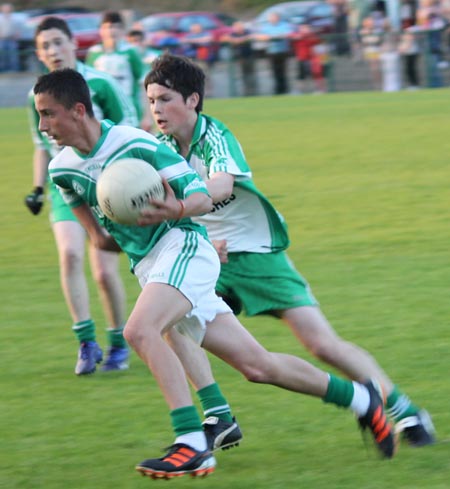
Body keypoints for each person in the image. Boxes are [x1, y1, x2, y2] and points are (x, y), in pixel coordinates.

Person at [36, 68, 396, 479]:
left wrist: (174, 210)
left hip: (185, 247)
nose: (43, 125)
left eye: (48, 114)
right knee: (258, 367)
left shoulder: (136, 144)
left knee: (141, 331)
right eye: (40, 116)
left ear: (78, 110)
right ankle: (362, 400)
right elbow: (101, 241)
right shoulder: (61, 170)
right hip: (151, 264)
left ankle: (191, 441)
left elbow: (201, 196)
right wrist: (123, 217)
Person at [145, 53, 435, 450]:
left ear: (193, 100)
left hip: (255, 253)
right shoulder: (159, 147)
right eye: (151, 101)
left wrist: (182, 209)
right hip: (206, 255)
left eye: (165, 99)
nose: (157, 109)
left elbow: (221, 186)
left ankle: (402, 409)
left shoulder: (214, 136)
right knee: (168, 320)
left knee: (321, 344)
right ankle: (217, 415)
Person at [24, 16, 139, 375]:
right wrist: (38, 188)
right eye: (45, 46)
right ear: (39, 54)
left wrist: (126, 178)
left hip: (106, 187)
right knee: (70, 255)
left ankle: (118, 342)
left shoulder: (100, 84)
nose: (53, 51)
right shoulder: (36, 95)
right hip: (65, 186)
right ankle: (86, 343)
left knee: (104, 273)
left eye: (58, 42)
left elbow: (130, 127)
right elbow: (41, 145)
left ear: (75, 44)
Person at [85, 10, 153, 131]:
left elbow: (143, 85)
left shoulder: (131, 52)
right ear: (101, 30)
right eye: (107, 27)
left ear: (122, 30)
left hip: (130, 111)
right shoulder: (94, 53)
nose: (111, 31)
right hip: (104, 112)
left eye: (116, 27)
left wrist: (147, 116)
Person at [254, 12, 294, 95]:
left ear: (278, 18)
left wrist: (279, 36)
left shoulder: (284, 25)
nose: (273, 19)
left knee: (284, 71)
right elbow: (258, 36)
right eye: (271, 18)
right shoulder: (266, 27)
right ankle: (277, 90)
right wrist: (267, 37)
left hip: (283, 51)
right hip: (272, 52)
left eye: (274, 17)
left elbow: (289, 33)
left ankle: (285, 90)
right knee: (274, 71)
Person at [221, 20, 258, 97]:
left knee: (251, 74)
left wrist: (243, 39)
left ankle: (253, 91)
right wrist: (234, 40)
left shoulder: (247, 32)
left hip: (249, 56)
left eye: (240, 26)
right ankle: (245, 91)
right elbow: (223, 38)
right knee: (242, 75)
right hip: (239, 58)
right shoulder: (233, 34)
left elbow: (255, 36)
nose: (238, 28)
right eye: (236, 27)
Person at [290, 23, 327, 94]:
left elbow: (318, 41)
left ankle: (320, 89)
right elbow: (291, 36)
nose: (304, 30)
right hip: (301, 59)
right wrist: (298, 36)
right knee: (301, 76)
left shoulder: (312, 36)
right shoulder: (297, 36)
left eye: (306, 28)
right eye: (302, 28)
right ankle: (299, 90)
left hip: (312, 59)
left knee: (316, 74)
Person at [0, 2, 20, 72]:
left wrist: (17, 35)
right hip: (1, 40)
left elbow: (18, 29)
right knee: (2, 56)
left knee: (13, 56)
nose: (7, 9)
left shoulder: (15, 18)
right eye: (5, 8)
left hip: (12, 40)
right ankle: (3, 71)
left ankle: (14, 71)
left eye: (8, 8)